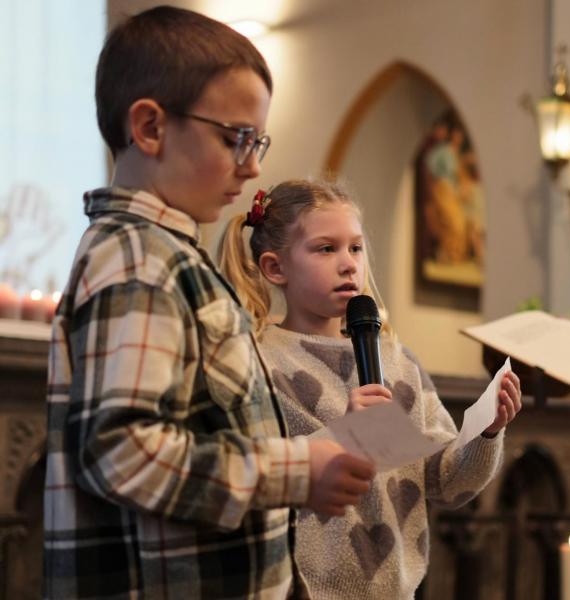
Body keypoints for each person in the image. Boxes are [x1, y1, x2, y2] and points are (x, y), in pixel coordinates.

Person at [43, 7, 374, 599]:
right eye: (236, 139)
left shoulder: (162, 254)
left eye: (258, 141)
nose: (253, 167)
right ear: (149, 127)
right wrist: (295, 470)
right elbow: (122, 453)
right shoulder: (140, 260)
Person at [218, 179, 522, 599]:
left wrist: (487, 431)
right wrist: (345, 434)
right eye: (327, 249)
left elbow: (447, 482)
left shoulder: (396, 361)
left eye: (356, 248)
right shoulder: (259, 360)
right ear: (275, 268)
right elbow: (259, 475)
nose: (348, 264)